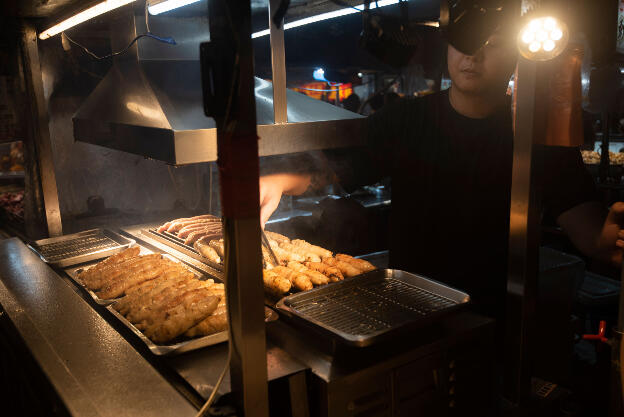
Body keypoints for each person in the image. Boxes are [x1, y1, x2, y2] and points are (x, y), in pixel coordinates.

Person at [259, 30, 624, 322]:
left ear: (517, 52)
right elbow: (336, 170)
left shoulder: (537, 135)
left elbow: (587, 225)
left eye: (493, 43)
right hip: (407, 308)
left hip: (496, 315)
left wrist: (605, 239)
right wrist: (278, 181)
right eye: (463, 41)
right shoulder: (406, 119)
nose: (473, 55)